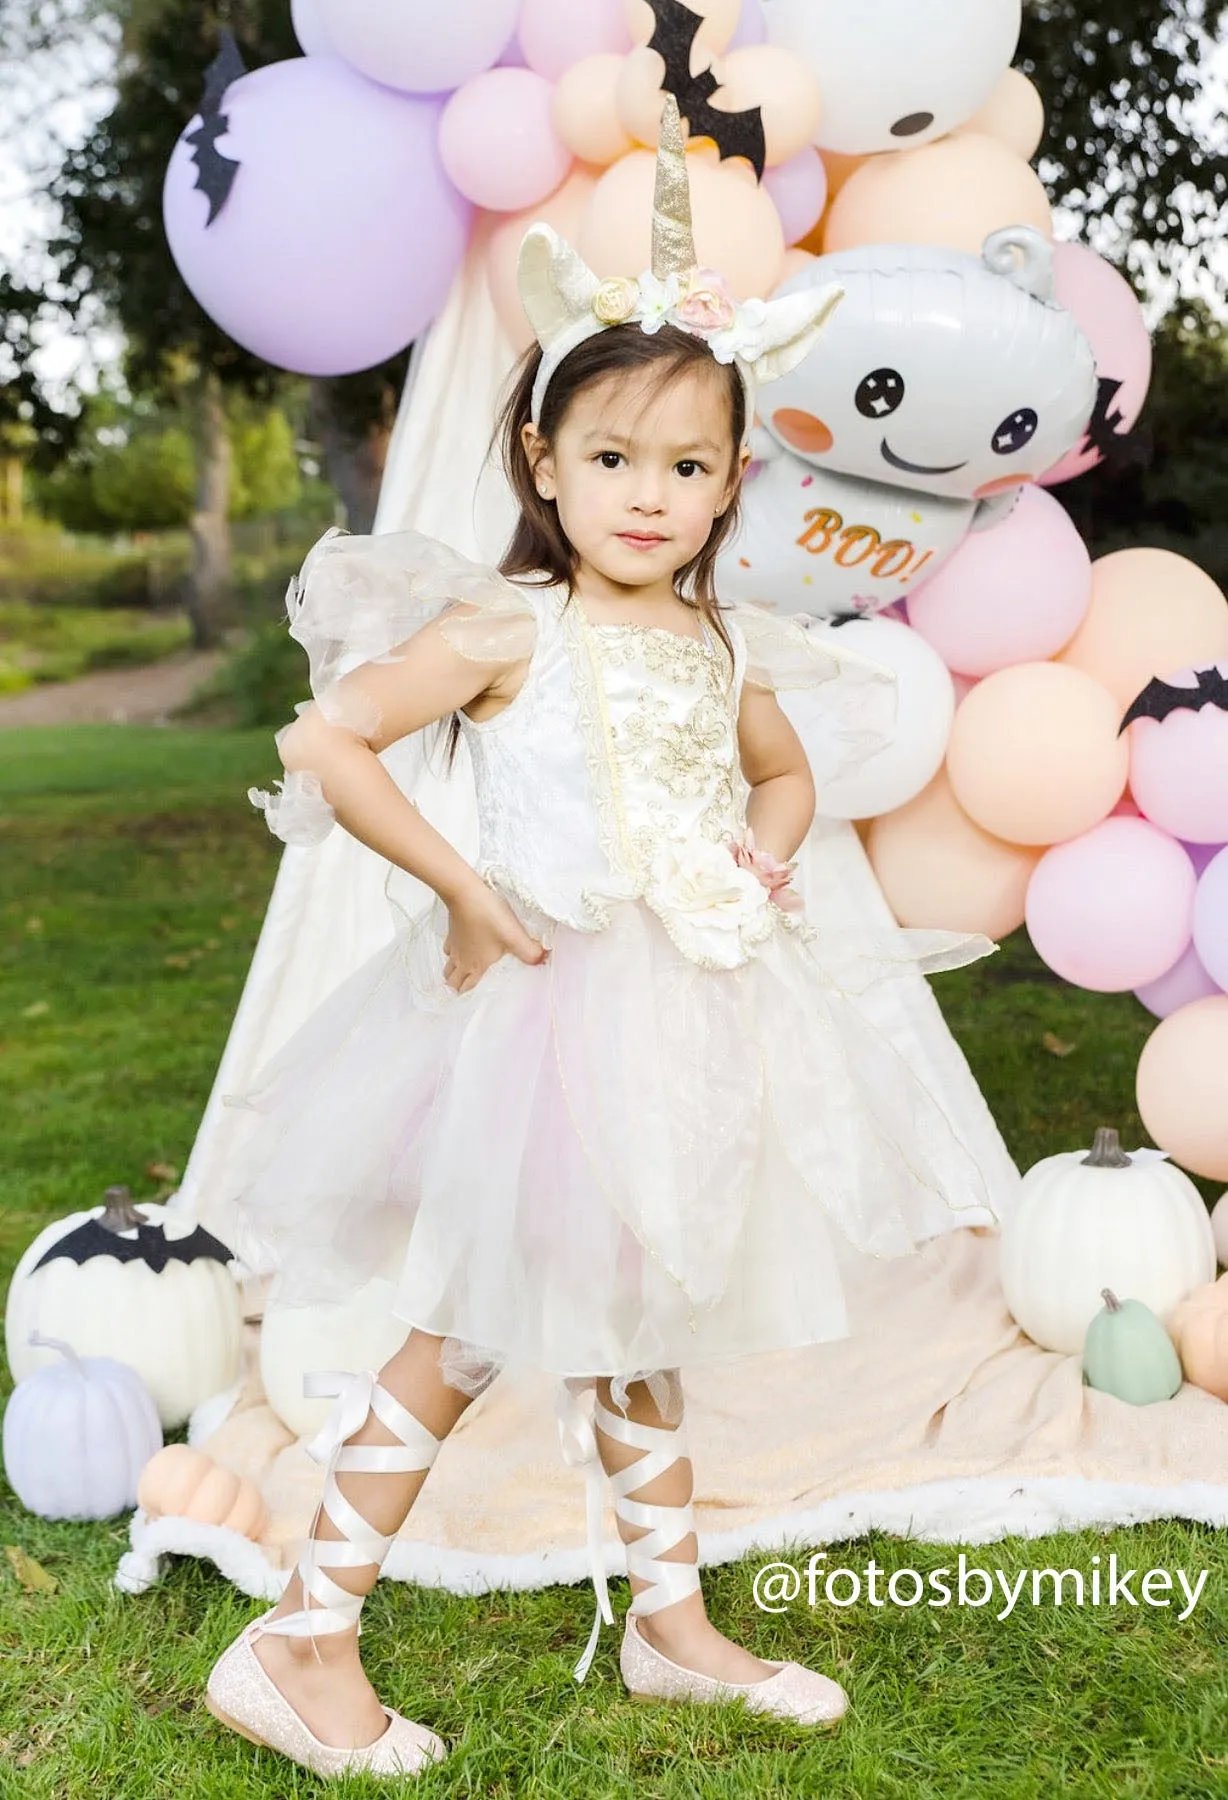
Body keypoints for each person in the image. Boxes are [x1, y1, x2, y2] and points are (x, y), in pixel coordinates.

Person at [204, 100, 999, 1782]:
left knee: (636, 1314)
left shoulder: (721, 645)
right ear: (546, 467)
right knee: (469, 1327)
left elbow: (780, 781)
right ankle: (302, 1637)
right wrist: (466, 890)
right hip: (538, 1017)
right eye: (615, 459)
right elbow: (325, 745)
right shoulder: (507, 624)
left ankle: (667, 1624)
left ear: (729, 485)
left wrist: (762, 865)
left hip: (688, 1015)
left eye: (690, 466)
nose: (652, 495)